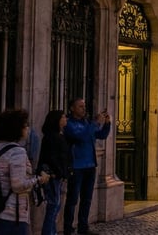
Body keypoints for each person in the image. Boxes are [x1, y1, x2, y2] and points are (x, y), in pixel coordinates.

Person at [0, 109, 50, 235]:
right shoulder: (17, 152)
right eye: (25, 125)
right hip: (11, 216)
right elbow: (18, 186)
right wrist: (39, 179)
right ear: (16, 129)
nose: (28, 129)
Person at [63, 99, 110, 235]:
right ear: (72, 108)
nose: (84, 109)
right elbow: (81, 136)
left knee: (87, 198)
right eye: (80, 106)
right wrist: (95, 123)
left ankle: (83, 227)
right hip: (76, 166)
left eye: (84, 106)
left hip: (90, 165)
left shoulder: (87, 122)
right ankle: (68, 228)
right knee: (72, 199)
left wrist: (107, 124)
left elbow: (101, 135)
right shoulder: (69, 124)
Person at [38, 110, 70, 235]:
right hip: (52, 175)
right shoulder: (52, 137)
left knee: (55, 206)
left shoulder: (59, 135)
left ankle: (52, 232)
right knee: (53, 206)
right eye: (63, 117)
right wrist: (59, 172)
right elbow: (52, 157)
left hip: (57, 174)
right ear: (57, 120)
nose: (66, 119)